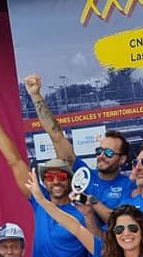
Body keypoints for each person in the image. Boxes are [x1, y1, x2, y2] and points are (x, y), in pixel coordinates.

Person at [0, 81, 94, 257]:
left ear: (70, 179)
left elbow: (57, 137)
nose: (55, 181)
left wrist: (36, 96)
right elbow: (14, 160)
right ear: (43, 182)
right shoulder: (39, 200)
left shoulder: (83, 211)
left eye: (61, 176)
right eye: (49, 176)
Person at [22, 74, 135, 224]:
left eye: (108, 153)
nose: (101, 156)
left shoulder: (129, 185)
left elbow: (119, 222)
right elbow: (56, 135)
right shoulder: (84, 174)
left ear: (122, 159)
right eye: (99, 151)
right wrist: (36, 96)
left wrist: (91, 201)